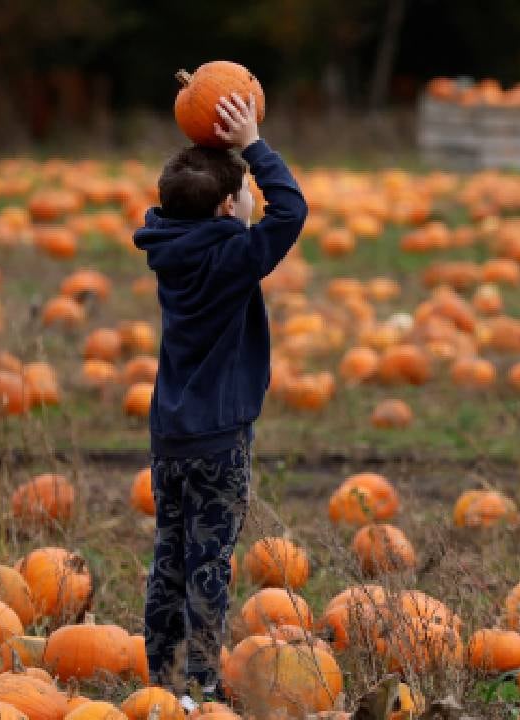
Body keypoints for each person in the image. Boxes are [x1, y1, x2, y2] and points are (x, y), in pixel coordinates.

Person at [133, 92, 307, 709]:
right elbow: (290, 212)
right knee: (210, 560)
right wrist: (252, 145)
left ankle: (160, 674)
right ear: (225, 209)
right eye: (242, 197)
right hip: (220, 440)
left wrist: (217, 161)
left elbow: (193, 206)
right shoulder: (232, 256)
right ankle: (201, 683)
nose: (252, 201)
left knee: (170, 554)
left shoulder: (167, 247)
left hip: (170, 435)